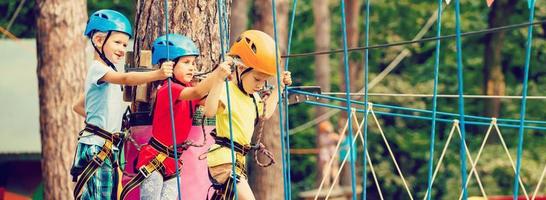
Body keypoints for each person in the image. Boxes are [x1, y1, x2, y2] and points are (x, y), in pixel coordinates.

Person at [70, 9, 173, 200]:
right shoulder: (98, 70)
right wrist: (157, 74)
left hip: (104, 145)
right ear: (99, 41)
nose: (122, 48)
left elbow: (78, 106)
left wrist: (106, 123)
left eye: (125, 44)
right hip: (97, 146)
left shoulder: (104, 75)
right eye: (117, 42)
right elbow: (126, 77)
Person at [119, 33, 231, 200]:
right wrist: (216, 75)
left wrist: (220, 81)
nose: (192, 67)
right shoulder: (169, 88)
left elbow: (210, 110)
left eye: (193, 63)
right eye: (186, 63)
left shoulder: (186, 91)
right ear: (169, 65)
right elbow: (197, 91)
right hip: (154, 158)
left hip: (173, 161)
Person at [204, 30, 292, 200]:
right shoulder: (227, 90)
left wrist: (279, 87)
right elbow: (209, 111)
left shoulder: (253, 97)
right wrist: (218, 80)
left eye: (264, 81)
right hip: (223, 160)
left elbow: (265, 113)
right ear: (241, 68)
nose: (260, 85)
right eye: (257, 79)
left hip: (237, 162)